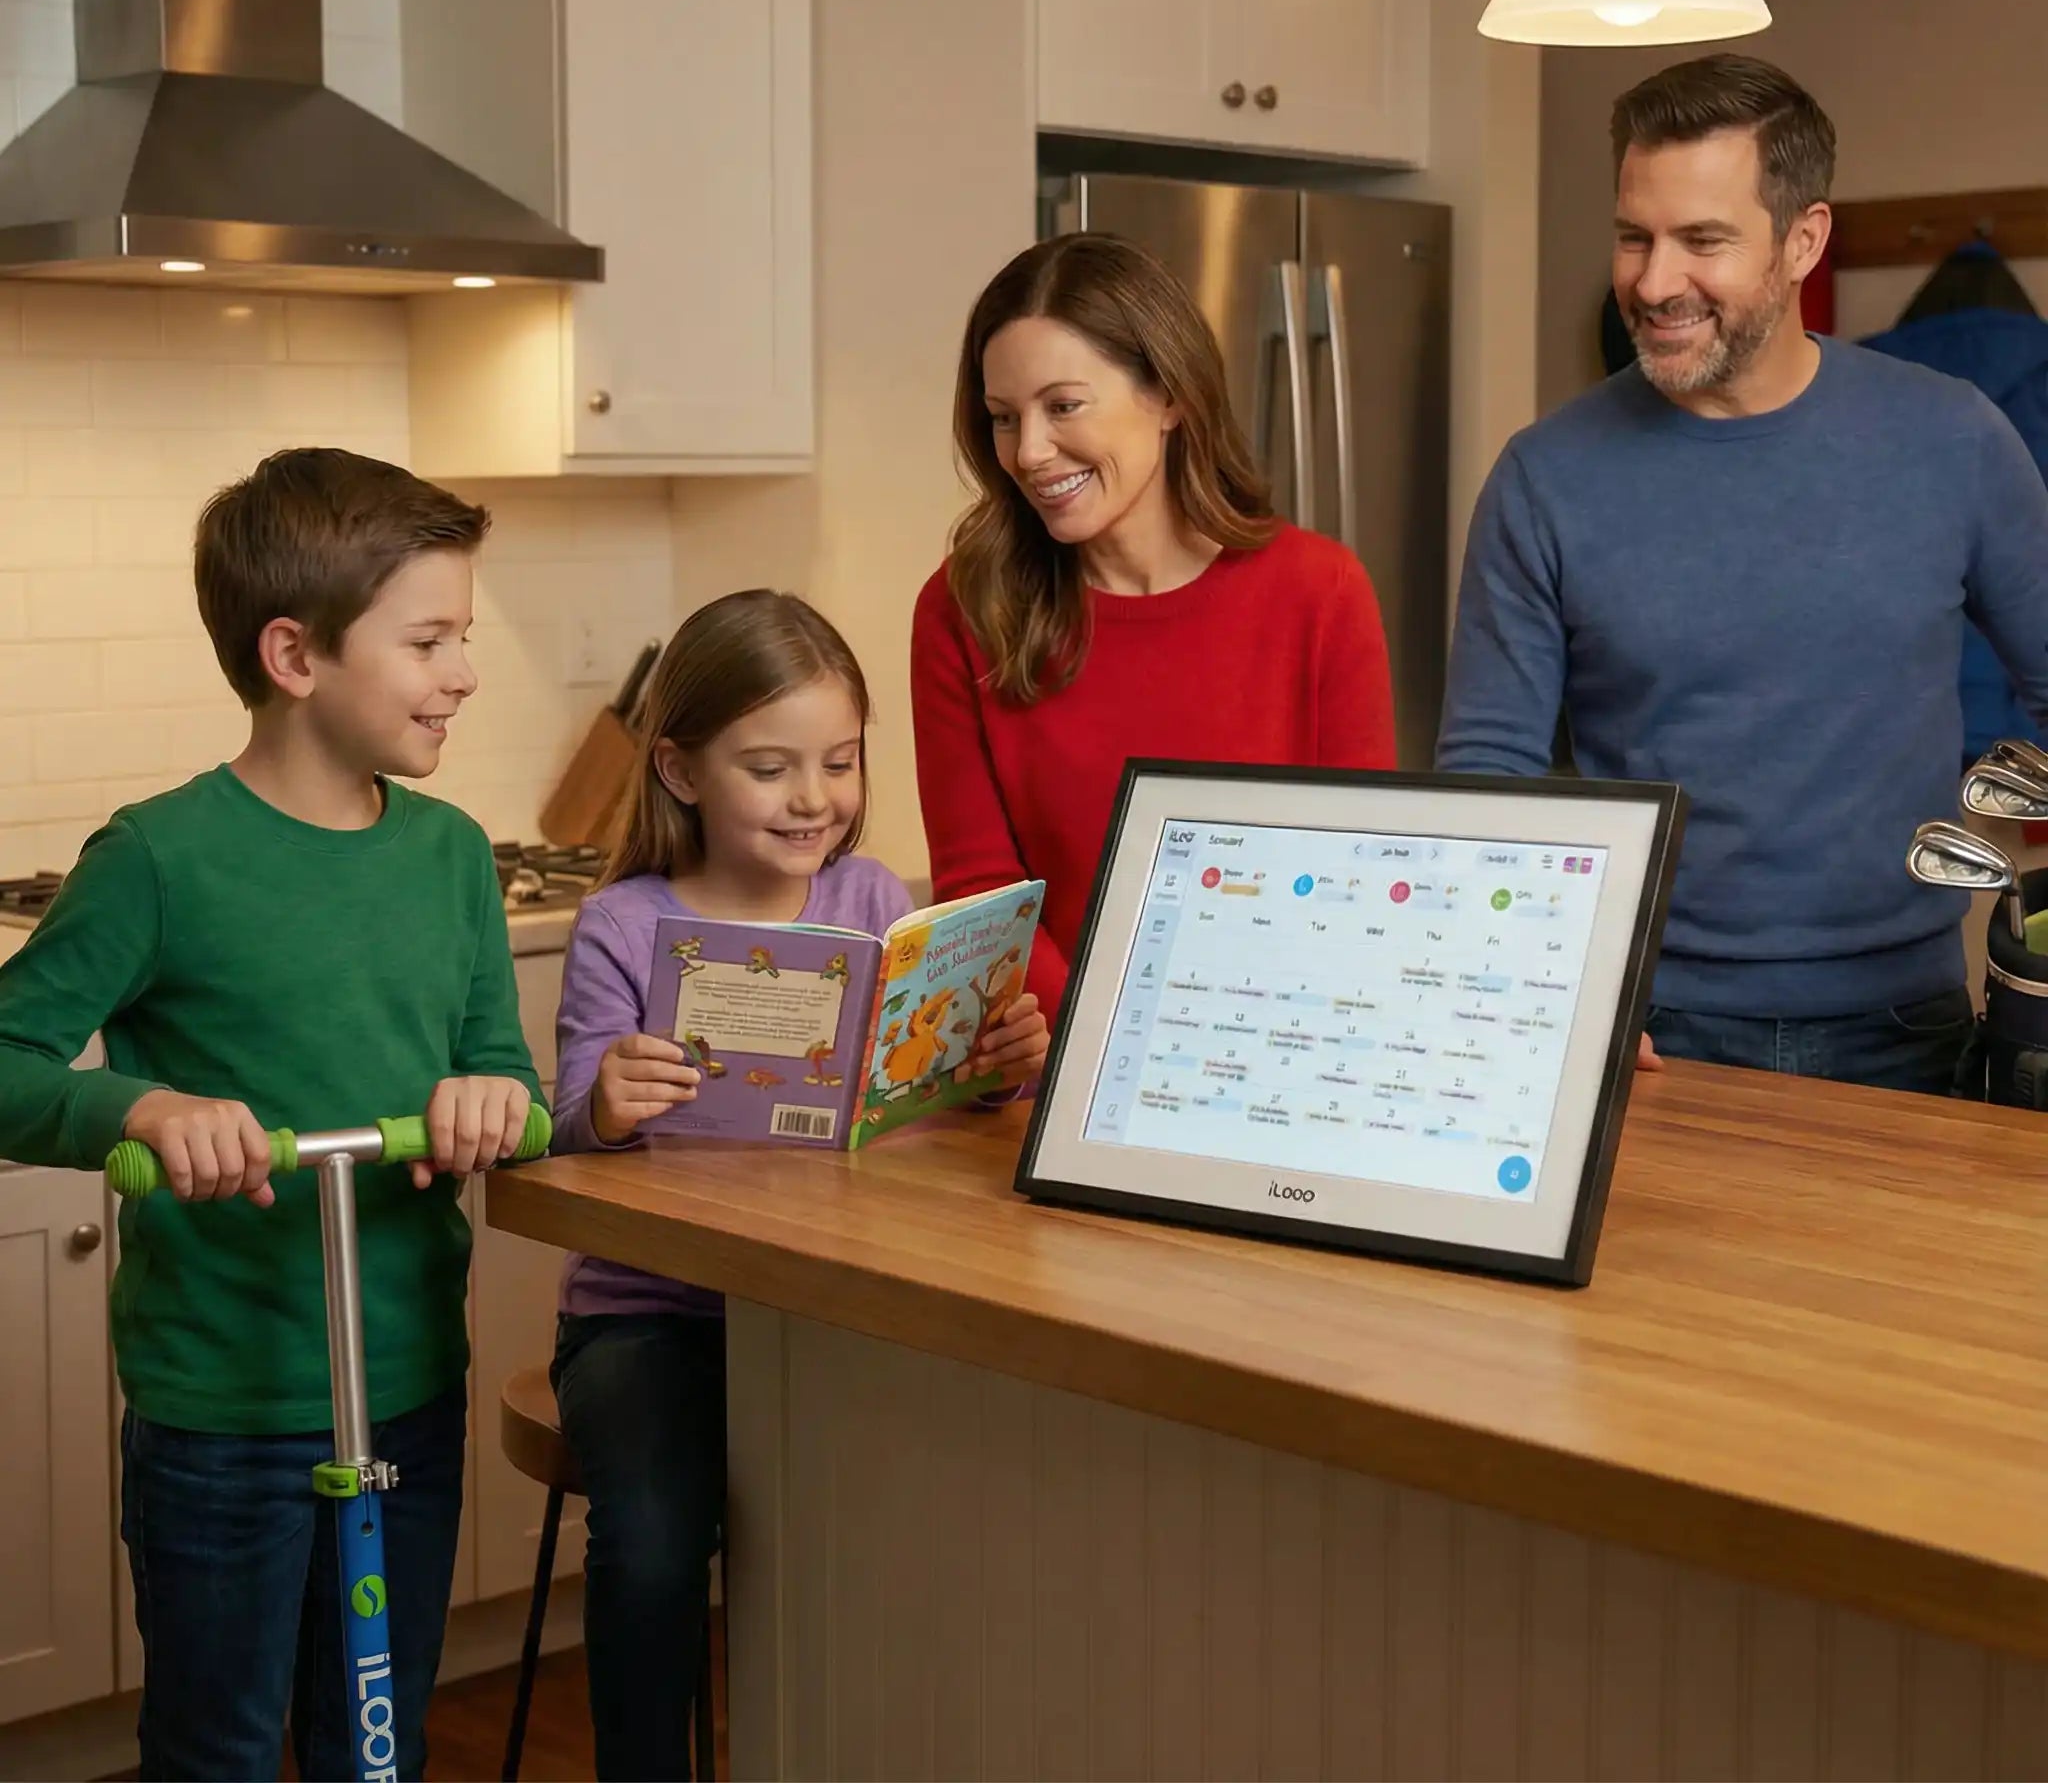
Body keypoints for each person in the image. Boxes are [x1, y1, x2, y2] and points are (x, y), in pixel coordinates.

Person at [0, 447, 541, 1779]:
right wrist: (144, 1108)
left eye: (461, 636)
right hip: (225, 1410)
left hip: (411, 1383)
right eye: (428, 640)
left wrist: (496, 1099)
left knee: (376, 1736)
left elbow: (507, 1082)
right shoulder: (161, 859)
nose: (462, 671)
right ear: (295, 656)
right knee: (222, 1747)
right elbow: (10, 1057)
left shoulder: (452, 857)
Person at [1437, 54, 2048, 1094]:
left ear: (1801, 240)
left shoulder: (1950, 438)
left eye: (1701, 240)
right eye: (1634, 236)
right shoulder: (1543, 475)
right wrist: (1552, 987)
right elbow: (1488, 777)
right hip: (1638, 1030)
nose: (1652, 279)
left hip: (1905, 1028)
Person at [547, 589, 1050, 1781]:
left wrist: (987, 1066)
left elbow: (917, 1079)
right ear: (676, 766)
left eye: (838, 760)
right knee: (657, 1550)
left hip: (833, 1313)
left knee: (905, 1543)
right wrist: (609, 1097)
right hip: (649, 1319)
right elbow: (568, 1115)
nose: (813, 796)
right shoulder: (625, 922)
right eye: (769, 767)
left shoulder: (875, 899)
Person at [911, 233, 1398, 1019]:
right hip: (1060, 1072)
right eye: (1004, 418)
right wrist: (1105, 1053)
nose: (1030, 451)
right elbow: (981, 898)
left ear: (1168, 395)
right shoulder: (962, 608)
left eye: (1063, 406)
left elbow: (1361, 874)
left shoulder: (1322, 593)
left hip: (1277, 1053)